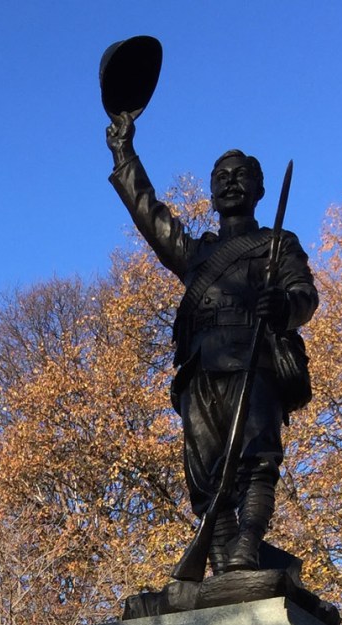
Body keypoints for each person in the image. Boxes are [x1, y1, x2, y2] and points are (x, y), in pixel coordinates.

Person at [106, 114, 318, 574]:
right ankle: (223, 557)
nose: (231, 183)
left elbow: (305, 295)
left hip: (254, 362)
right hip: (200, 370)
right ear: (211, 191)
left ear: (260, 189)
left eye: (241, 176)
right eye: (221, 177)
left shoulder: (277, 244)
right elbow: (149, 214)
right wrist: (124, 153)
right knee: (204, 477)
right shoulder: (197, 254)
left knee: (257, 462)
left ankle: (247, 543)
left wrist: (282, 304)